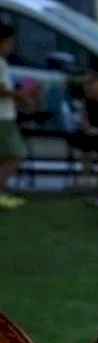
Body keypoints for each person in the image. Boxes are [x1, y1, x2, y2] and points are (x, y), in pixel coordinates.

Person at [0, 23, 28, 209]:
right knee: (16, 154)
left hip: (5, 115)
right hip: (3, 118)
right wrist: (20, 96)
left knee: (5, 156)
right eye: (9, 42)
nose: (12, 46)